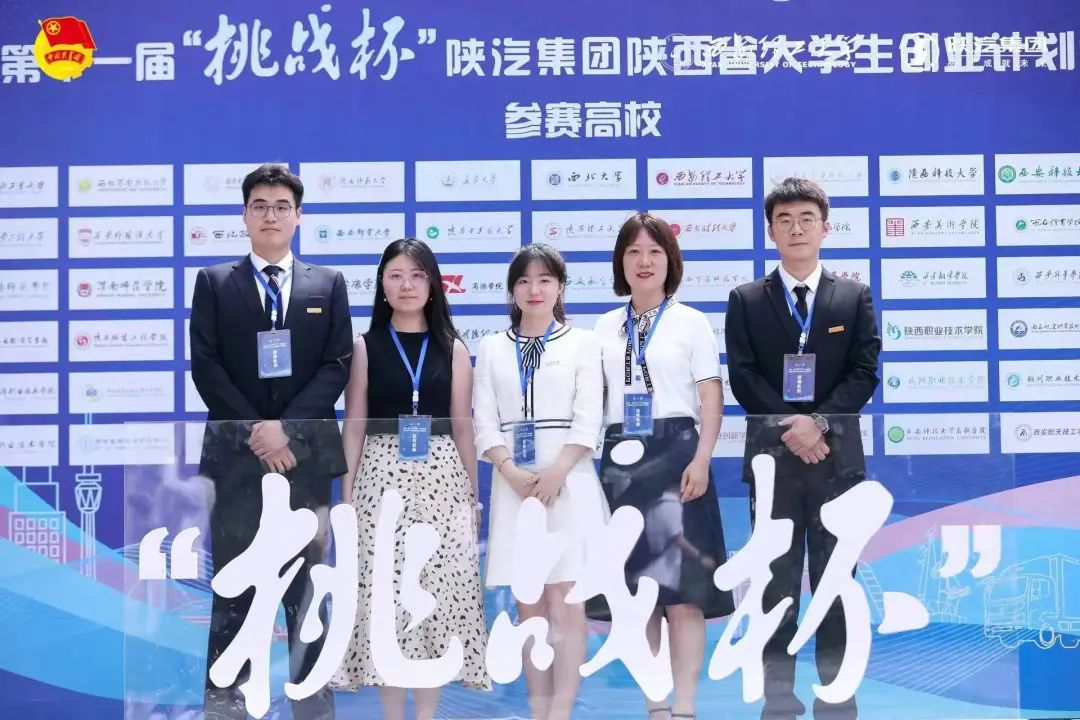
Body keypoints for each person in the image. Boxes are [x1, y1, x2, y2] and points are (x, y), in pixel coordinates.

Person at [190, 163, 352, 720]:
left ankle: (313, 712)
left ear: (298, 216)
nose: (270, 215)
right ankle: (226, 711)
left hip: (303, 462)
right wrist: (258, 432)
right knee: (233, 592)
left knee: (306, 595)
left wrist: (288, 429)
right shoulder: (215, 282)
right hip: (236, 462)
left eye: (282, 206)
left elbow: (336, 365)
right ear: (244, 214)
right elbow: (206, 366)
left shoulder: (327, 283)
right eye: (259, 205)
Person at [725, 177, 881, 720]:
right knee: (776, 588)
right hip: (773, 466)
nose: (796, 229)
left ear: (825, 228)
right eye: (785, 220)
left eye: (806, 219)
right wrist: (792, 428)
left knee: (837, 585)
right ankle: (779, 704)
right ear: (770, 231)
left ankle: (838, 702)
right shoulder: (746, 299)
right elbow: (744, 377)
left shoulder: (853, 296)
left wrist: (818, 425)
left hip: (838, 465)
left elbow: (864, 372)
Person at [331, 238, 490, 719]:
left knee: (437, 594)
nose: (407, 285)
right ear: (382, 285)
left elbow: (463, 427)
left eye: (417, 275)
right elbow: (354, 424)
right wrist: (347, 498)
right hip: (380, 480)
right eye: (396, 275)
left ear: (433, 285)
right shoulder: (365, 346)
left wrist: (472, 497)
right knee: (387, 596)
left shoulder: (454, 348)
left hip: (443, 479)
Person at [590, 212, 733, 720]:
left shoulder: (691, 321)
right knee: (638, 594)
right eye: (633, 252)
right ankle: (655, 705)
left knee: (683, 593)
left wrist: (702, 458)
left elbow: (710, 399)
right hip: (620, 462)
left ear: (670, 261)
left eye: (654, 251)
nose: (644, 261)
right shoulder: (603, 327)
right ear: (620, 262)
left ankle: (685, 706)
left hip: (679, 456)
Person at [473, 243, 608, 720]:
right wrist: (510, 471)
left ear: (560, 287)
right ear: (512, 290)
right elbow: (484, 420)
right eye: (524, 280)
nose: (534, 289)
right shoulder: (492, 347)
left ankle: (561, 712)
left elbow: (589, 417)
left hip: (569, 481)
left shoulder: (583, 343)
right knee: (529, 605)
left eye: (545, 280)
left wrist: (557, 472)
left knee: (567, 602)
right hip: (514, 486)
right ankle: (538, 711)